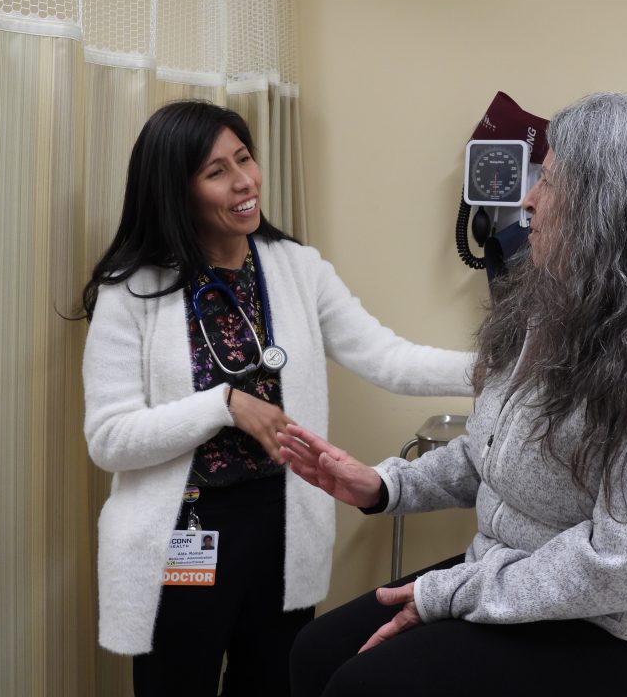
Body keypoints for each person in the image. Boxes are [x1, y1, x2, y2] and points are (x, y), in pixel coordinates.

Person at [278, 92, 627, 697]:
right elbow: (488, 451)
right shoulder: (554, 308)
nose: (528, 200)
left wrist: (450, 593)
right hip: (531, 579)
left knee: (366, 686)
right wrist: (386, 486)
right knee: (315, 653)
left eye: (552, 180)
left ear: (609, 211)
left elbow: (620, 566)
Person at [80, 100, 473, 697]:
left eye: (245, 158)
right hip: (182, 533)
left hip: (281, 525)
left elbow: (387, 358)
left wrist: (504, 368)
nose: (244, 182)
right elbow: (110, 439)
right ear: (175, 189)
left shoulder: (295, 269)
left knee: (273, 684)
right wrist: (225, 404)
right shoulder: (132, 293)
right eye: (217, 171)